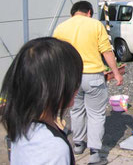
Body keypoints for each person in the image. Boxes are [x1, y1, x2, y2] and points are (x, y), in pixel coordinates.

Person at [53, 1, 123, 165]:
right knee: (96, 114)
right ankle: (94, 154)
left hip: (71, 77)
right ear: (89, 12)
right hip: (93, 77)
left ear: (73, 13)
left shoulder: (61, 28)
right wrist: (116, 72)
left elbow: (55, 54)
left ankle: (78, 144)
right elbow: (106, 50)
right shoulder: (95, 25)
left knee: (76, 110)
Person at [0, 37, 83, 165]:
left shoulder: (23, 124)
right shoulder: (53, 148)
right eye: (74, 80)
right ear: (53, 87)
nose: (77, 86)